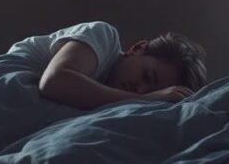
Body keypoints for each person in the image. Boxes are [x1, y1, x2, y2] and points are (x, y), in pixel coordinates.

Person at [16, 20, 207, 110]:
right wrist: (147, 99)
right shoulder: (104, 36)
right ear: (137, 48)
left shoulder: (108, 103)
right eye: (147, 77)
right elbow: (54, 82)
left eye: (150, 91)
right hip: (9, 84)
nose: (141, 89)